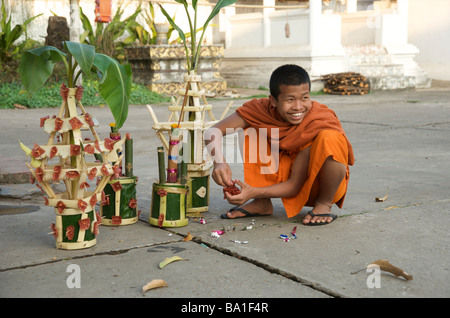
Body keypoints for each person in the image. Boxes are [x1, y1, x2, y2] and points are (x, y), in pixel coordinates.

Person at [205, 64, 354, 225]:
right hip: (284, 181)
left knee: (330, 137)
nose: (298, 107)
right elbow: (213, 131)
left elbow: (294, 186)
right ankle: (262, 202)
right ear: (273, 101)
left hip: (319, 186)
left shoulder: (317, 120)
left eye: (305, 98)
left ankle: (324, 204)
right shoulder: (260, 110)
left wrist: (252, 191)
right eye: (290, 100)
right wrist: (219, 162)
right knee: (253, 131)